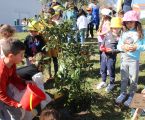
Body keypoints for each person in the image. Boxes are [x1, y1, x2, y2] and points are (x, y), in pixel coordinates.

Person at [115, 10, 145, 107]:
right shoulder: (124, 33)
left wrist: (137, 47)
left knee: (133, 79)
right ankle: (123, 93)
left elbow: (144, 46)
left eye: (131, 21)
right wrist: (122, 47)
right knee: (124, 78)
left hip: (134, 60)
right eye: (127, 22)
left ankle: (132, 94)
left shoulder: (140, 32)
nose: (128, 24)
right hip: (124, 59)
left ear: (136, 21)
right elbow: (119, 46)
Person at [0, 40, 33, 120]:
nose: (23, 57)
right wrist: (15, 104)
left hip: (3, 88)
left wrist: (24, 82)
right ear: (11, 56)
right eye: (21, 55)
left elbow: (13, 77)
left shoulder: (12, 63)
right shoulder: (1, 72)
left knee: (16, 112)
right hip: (1, 92)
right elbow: (1, 95)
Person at [96, 17, 122, 92]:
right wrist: (102, 46)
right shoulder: (108, 34)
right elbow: (103, 40)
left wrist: (113, 50)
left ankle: (112, 83)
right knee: (103, 68)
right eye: (114, 28)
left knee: (111, 69)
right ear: (111, 28)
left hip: (111, 57)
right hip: (104, 55)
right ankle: (103, 81)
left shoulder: (119, 38)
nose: (115, 29)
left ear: (120, 28)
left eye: (117, 28)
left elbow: (120, 49)